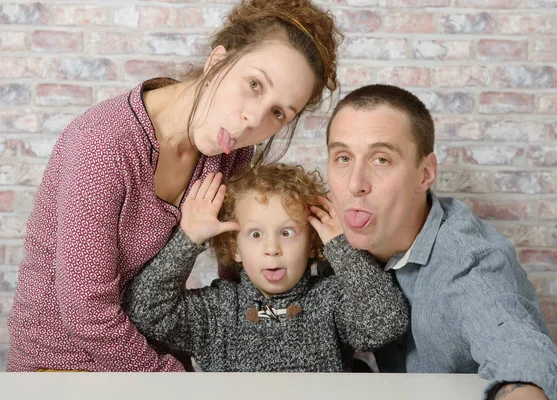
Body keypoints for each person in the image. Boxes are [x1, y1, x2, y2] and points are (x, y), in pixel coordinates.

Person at [7, 0, 343, 372]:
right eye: (253, 84)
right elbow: (85, 309)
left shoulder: (229, 150)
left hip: (160, 353)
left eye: (279, 113)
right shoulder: (103, 144)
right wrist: (174, 381)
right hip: (66, 364)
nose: (253, 119)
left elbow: (238, 260)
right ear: (217, 62)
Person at [324, 85, 557, 399]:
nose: (355, 184)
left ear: (425, 174)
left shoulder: (468, 260)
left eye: (381, 160)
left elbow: (520, 355)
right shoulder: (331, 239)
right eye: (342, 158)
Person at [122, 164, 409, 372]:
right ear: (235, 248)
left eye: (286, 233)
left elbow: (387, 324)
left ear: (312, 243)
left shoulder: (330, 300)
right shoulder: (217, 310)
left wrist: (341, 248)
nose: (272, 248)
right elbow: (146, 309)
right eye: (256, 234)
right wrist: (189, 238)